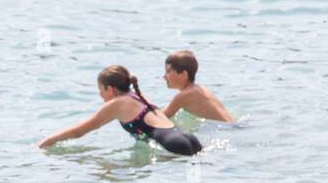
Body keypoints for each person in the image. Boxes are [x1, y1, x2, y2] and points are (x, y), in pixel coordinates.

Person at [38, 64, 202, 156]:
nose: (99, 94)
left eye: (101, 89)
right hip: (188, 138)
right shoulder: (136, 95)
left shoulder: (117, 104)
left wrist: (45, 143)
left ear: (110, 88)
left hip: (173, 145)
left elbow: (78, 131)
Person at [162, 49, 235, 122]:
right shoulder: (201, 89)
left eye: (168, 72)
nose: (164, 76)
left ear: (183, 74)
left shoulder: (184, 95)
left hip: (224, 129)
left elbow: (162, 118)